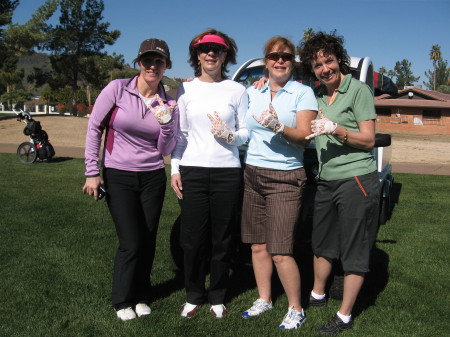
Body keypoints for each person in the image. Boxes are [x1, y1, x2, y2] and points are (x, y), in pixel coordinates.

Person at [82, 38, 179, 321]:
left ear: (166, 66)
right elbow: (94, 128)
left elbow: (165, 150)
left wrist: (166, 124)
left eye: (159, 61)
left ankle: (141, 295)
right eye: (147, 60)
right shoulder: (117, 89)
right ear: (139, 63)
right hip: (118, 174)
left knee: (148, 239)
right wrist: (91, 171)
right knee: (131, 240)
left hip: (152, 176)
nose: (153, 66)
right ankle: (122, 299)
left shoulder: (169, 102)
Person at [298, 31, 380, 335]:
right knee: (321, 242)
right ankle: (317, 294)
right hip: (326, 181)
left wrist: (337, 129)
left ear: (338, 60)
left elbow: (369, 139)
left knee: (354, 248)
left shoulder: (358, 90)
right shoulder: (317, 95)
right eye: (318, 65)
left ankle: (344, 315)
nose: (325, 69)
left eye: (328, 61)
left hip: (356, 178)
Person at [240, 36, 317, 330]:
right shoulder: (253, 91)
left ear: (293, 61)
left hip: (285, 176)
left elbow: (304, 135)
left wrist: (279, 127)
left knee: (281, 250)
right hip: (253, 173)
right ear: (266, 62)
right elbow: (245, 130)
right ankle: (264, 298)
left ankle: (296, 308)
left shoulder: (302, 93)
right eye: (274, 56)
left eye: (285, 56)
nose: (280, 60)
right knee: (258, 246)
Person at [170, 29, 248, 319]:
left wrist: (230, 136)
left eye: (217, 49)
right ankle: (193, 293)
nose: (211, 54)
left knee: (222, 238)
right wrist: (175, 169)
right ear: (197, 56)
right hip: (193, 171)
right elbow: (181, 135)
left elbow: (245, 133)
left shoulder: (237, 90)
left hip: (227, 172)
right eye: (205, 50)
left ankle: (217, 295)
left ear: (226, 55)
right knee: (192, 238)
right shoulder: (185, 89)